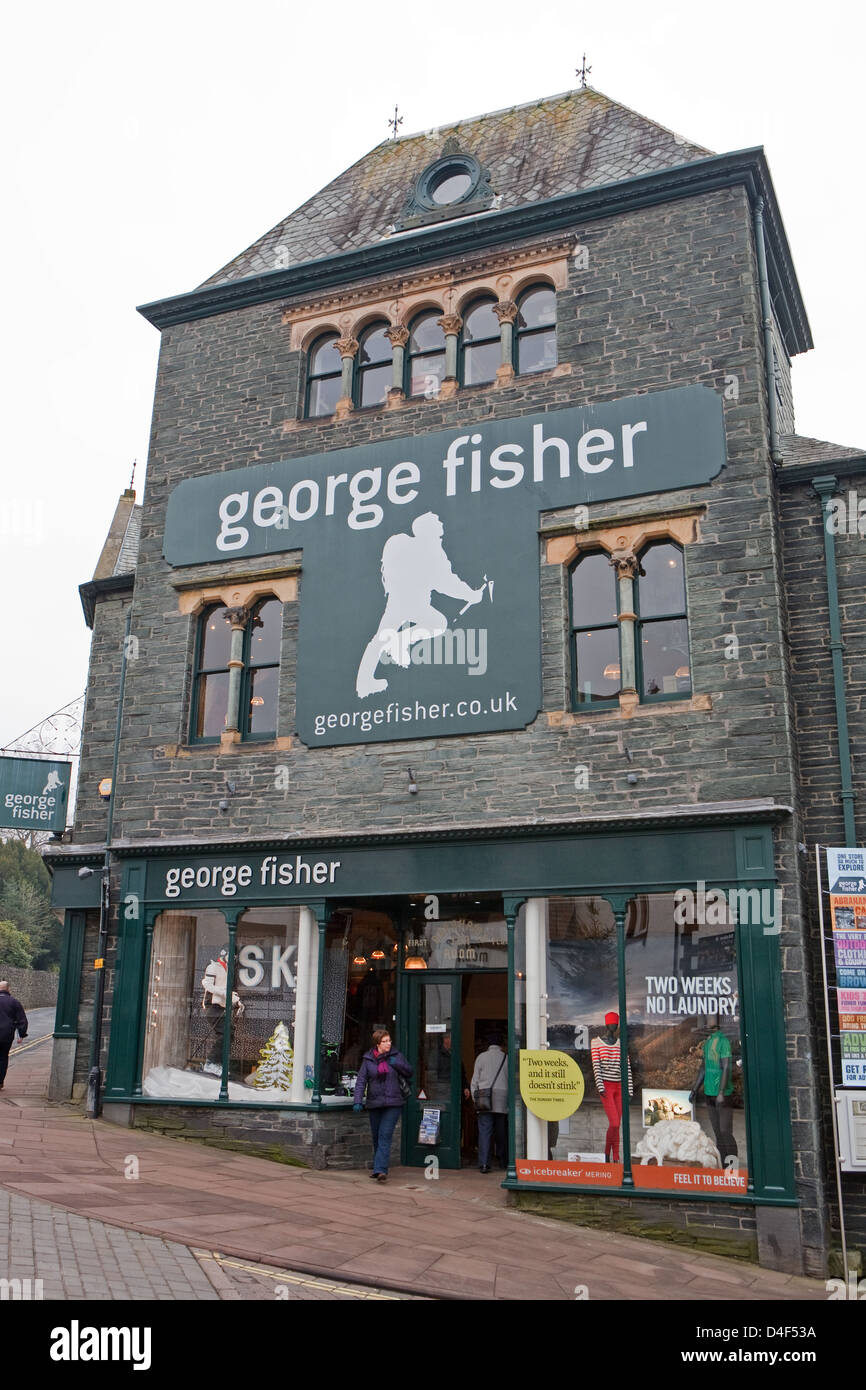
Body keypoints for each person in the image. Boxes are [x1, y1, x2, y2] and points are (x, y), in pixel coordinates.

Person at [353, 1028, 413, 1182]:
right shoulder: (368, 1060)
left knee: (385, 1134)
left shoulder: (396, 1055)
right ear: (377, 1044)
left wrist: (397, 1063)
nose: (388, 1044)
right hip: (375, 1103)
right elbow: (361, 1082)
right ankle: (378, 1167)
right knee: (376, 1136)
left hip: (393, 1103)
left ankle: (380, 1170)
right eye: (385, 1041)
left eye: (389, 1040)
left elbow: (409, 1071)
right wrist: (358, 1101)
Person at [690, 1017, 738, 1168]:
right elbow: (703, 1068)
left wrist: (722, 1092)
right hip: (710, 1092)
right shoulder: (708, 1042)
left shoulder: (723, 1041)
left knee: (725, 1131)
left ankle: (732, 1168)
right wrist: (695, 1089)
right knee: (717, 1132)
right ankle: (724, 1167)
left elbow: (726, 1067)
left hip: (722, 1094)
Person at [590, 1012, 633, 1162]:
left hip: (620, 1086)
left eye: (616, 1023)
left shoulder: (621, 1043)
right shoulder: (596, 1042)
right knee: (614, 1123)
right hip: (607, 1087)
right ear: (606, 1024)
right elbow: (596, 1066)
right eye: (612, 1023)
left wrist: (630, 1089)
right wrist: (600, 1086)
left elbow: (626, 1067)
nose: (614, 1026)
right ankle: (609, 1153)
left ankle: (613, 1156)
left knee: (617, 1124)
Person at [471, 1032, 508, 1172]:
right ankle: (504, 1161)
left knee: (485, 1132)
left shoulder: (481, 1057)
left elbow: (475, 1080)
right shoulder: (506, 1058)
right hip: (502, 1099)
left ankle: (484, 1164)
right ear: (501, 1044)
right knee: (501, 1132)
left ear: (489, 1044)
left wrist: (476, 1099)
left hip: (485, 1097)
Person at [0, 981, 28, 1091]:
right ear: (8, 989)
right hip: (6, 1035)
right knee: (2, 1057)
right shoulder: (14, 1002)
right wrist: (21, 1033)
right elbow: (22, 1020)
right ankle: (0, 1081)